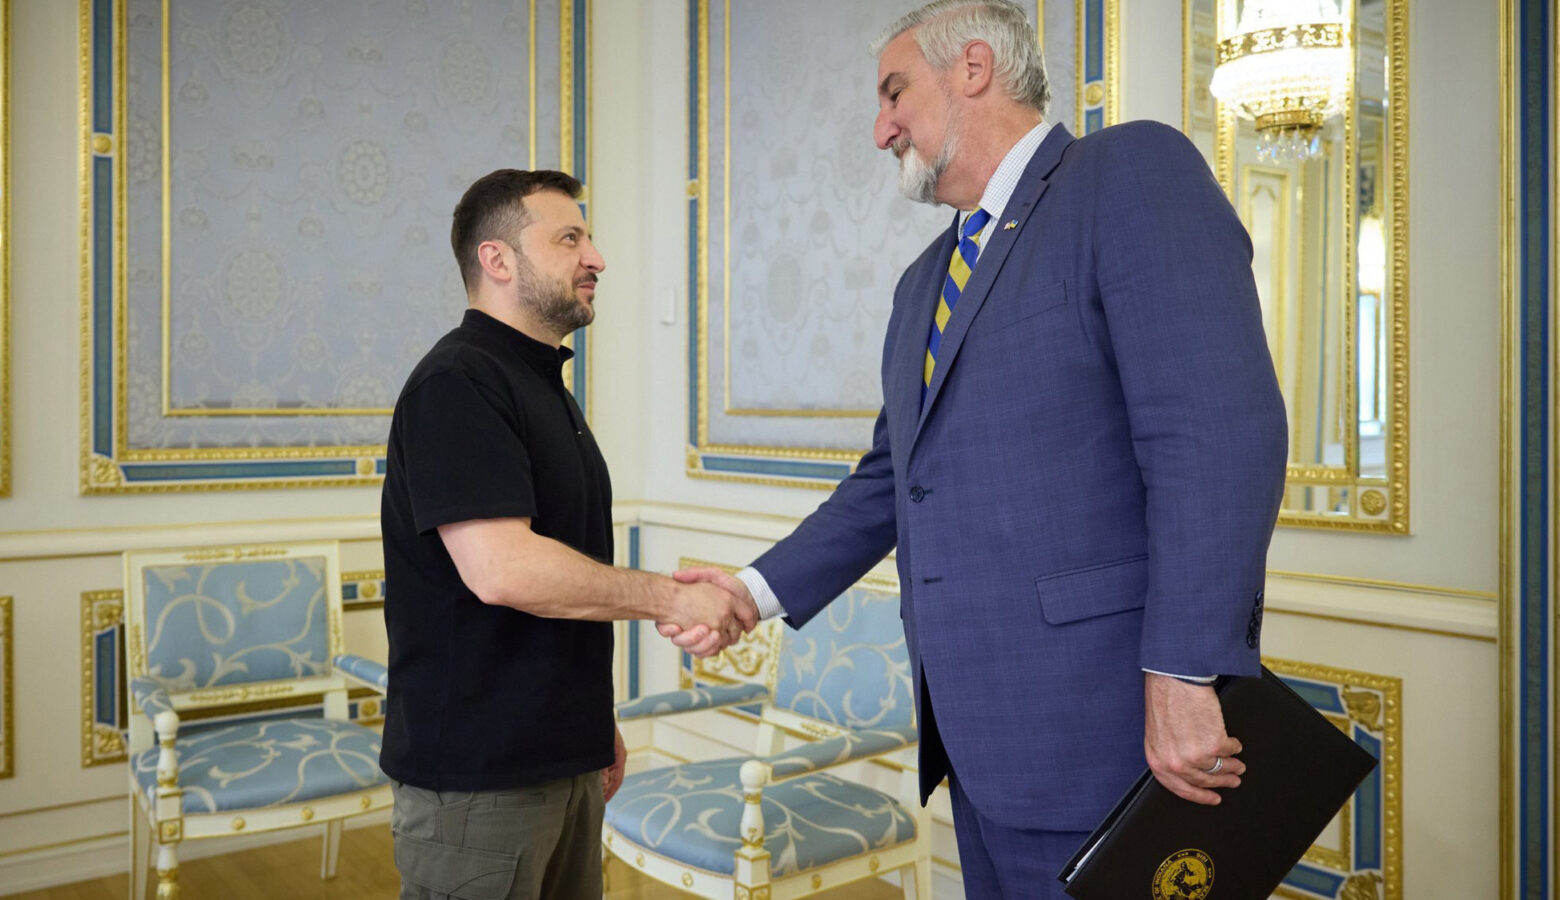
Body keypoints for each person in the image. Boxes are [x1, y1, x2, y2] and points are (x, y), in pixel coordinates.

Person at [665, 1, 1289, 895]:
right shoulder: (923, 284)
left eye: (893, 92)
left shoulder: (1127, 175)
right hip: (976, 743)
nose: (880, 128)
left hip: (1114, 731)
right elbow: (890, 482)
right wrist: (750, 592)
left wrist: (1187, 670)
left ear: (971, 68)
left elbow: (1218, 433)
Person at [379, 169, 756, 900]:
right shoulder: (457, 382)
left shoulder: (541, 386)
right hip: (478, 784)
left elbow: (565, 571)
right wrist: (672, 601)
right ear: (497, 260)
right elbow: (505, 571)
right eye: (569, 237)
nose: (597, 257)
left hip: (565, 761)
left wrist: (590, 726)